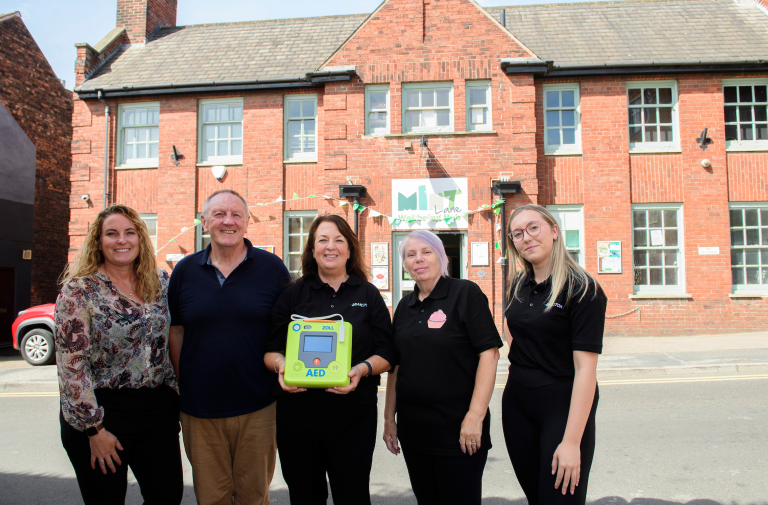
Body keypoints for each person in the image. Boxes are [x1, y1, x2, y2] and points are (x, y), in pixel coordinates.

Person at [168, 189, 291, 505]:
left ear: (247, 222)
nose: (228, 221)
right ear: (204, 221)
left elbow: (287, 332)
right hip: (200, 411)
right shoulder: (184, 272)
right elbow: (177, 332)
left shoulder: (272, 268)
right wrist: (186, 383)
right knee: (211, 498)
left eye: (236, 215)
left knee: (254, 496)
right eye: (220, 214)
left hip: (259, 407)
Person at [55, 204, 182, 505]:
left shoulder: (161, 282)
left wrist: (177, 394)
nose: (121, 240)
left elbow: (175, 338)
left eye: (129, 232)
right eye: (111, 234)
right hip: (103, 411)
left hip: (156, 409)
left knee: (167, 497)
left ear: (140, 238)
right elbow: (72, 367)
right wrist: (94, 429)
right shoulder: (79, 291)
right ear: (98, 242)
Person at [264, 214, 395, 505]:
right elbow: (271, 350)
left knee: (353, 495)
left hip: (353, 416)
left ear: (350, 248)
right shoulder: (292, 295)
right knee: (304, 495)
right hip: (297, 415)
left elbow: (387, 352)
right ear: (312, 249)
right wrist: (281, 366)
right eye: (322, 240)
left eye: (338, 239)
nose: (330, 246)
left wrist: (362, 369)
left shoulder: (368, 295)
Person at [383, 230, 502, 505]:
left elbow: (490, 354)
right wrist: (389, 419)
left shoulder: (465, 293)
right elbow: (396, 368)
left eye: (426, 252)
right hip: (415, 433)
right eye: (411, 255)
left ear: (441, 256)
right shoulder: (404, 306)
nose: (419, 259)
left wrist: (475, 416)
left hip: (459, 433)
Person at [502, 204, 607, 505]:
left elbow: (586, 370)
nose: (526, 238)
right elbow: (513, 330)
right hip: (518, 406)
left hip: (561, 407)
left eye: (533, 227)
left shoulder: (583, 289)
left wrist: (572, 442)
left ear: (554, 231)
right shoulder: (518, 285)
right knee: (537, 498)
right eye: (517, 234)